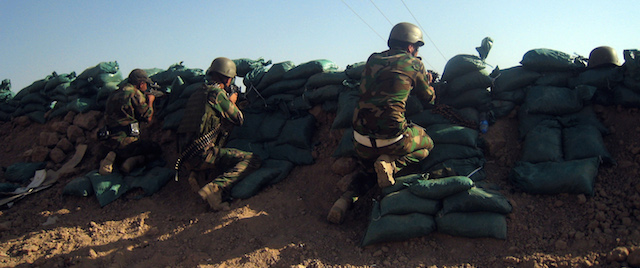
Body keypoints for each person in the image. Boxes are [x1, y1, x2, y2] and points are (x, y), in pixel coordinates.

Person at [327, 22, 436, 224]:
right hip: (393, 140)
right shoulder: (415, 64)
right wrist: (426, 80)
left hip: (360, 141)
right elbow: (428, 98)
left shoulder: (373, 59)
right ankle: (392, 165)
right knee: (428, 144)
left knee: (368, 173)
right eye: (417, 48)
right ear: (411, 47)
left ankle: (344, 201)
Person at [176, 57, 261, 211]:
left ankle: (197, 176)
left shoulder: (197, 93)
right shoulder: (216, 94)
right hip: (202, 155)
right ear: (227, 78)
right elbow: (238, 119)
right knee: (252, 160)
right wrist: (232, 101)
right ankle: (213, 190)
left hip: (186, 156)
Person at [98, 69, 162, 175]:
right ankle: (132, 161)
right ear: (141, 84)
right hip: (127, 143)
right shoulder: (135, 93)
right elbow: (147, 117)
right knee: (155, 149)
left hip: (107, 142)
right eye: (145, 84)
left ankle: (113, 157)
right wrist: (150, 100)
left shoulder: (113, 94)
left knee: (122, 150)